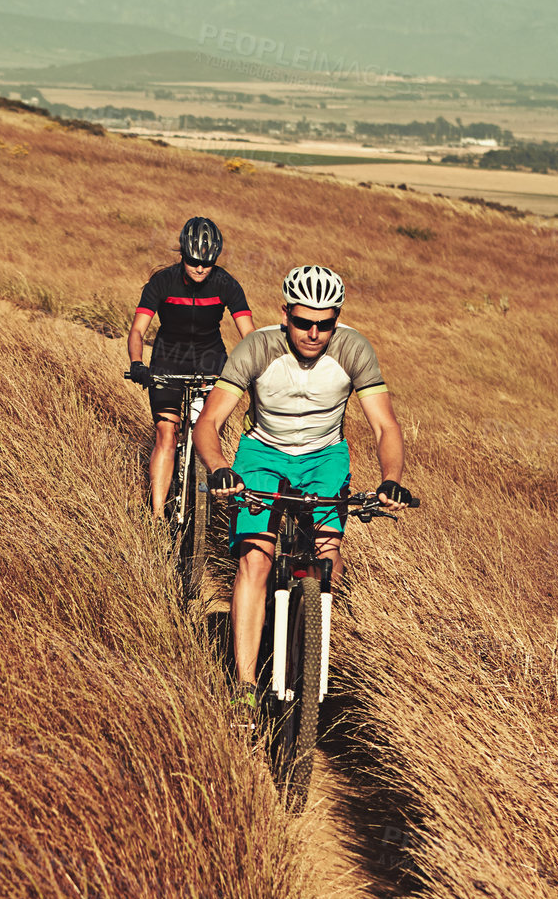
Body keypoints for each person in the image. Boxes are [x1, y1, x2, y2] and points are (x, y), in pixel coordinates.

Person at [193, 265, 415, 709]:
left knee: (328, 559)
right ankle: (244, 685)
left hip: (324, 457)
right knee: (255, 558)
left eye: (325, 323)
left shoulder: (353, 349)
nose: (314, 333)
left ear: (337, 319)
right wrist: (219, 466)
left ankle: (307, 654)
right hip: (263, 454)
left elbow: (385, 425)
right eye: (303, 322)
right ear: (285, 314)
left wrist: (391, 478)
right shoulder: (256, 348)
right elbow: (210, 421)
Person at [127, 216, 255, 514]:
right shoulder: (163, 282)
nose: (200, 268)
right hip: (167, 360)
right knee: (166, 433)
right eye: (194, 260)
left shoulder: (227, 284)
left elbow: (249, 336)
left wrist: (253, 369)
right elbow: (137, 331)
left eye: (207, 262)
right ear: (183, 254)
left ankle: (204, 501)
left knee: (207, 431)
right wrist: (137, 363)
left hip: (211, 361)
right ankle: (157, 515)